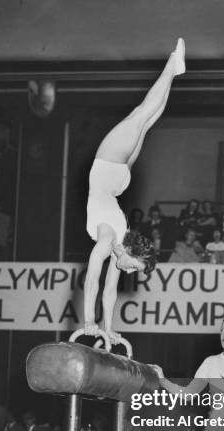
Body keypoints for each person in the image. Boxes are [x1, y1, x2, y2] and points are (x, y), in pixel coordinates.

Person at [83, 38, 185, 344]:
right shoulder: (115, 241)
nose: (127, 268)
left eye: (130, 267)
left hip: (113, 171)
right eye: (132, 265)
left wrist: (101, 324)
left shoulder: (110, 243)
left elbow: (99, 285)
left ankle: (173, 69)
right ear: (131, 250)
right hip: (112, 170)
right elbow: (100, 285)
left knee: (146, 118)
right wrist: (96, 323)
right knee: (144, 117)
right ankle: (172, 69)